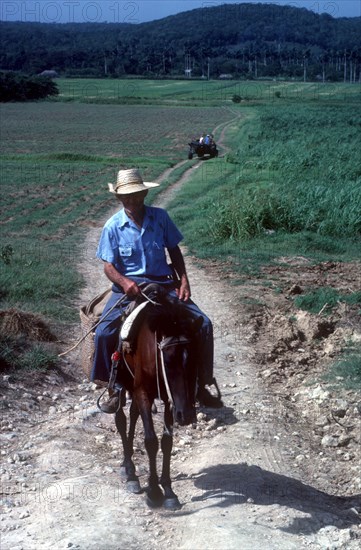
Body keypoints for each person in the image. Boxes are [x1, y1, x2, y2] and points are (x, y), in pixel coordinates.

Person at [91, 168, 223, 413]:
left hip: (163, 283)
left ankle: (202, 384)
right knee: (104, 332)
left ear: (144, 193)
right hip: (129, 288)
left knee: (203, 324)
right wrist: (124, 282)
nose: (132, 201)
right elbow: (108, 266)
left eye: (137, 195)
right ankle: (114, 387)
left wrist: (183, 280)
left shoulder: (161, 217)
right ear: (119, 198)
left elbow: (174, 250)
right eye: (126, 197)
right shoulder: (112, 227)